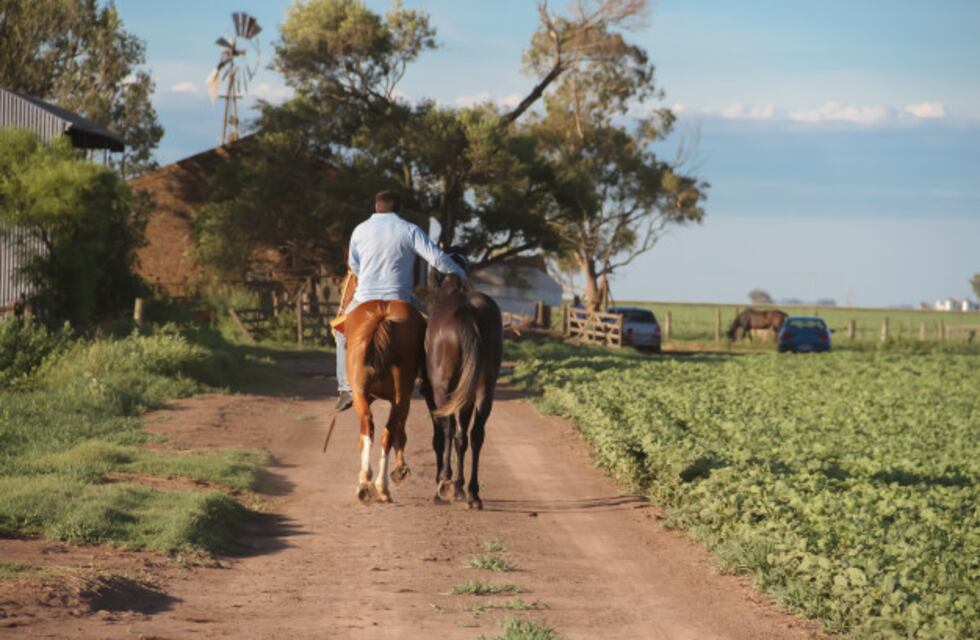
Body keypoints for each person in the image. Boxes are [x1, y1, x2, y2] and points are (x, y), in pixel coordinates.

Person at [333, 190, 467, 411]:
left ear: (376, 207)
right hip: (401, 297)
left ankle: (346, 387)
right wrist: (461, 274)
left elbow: (354, 267)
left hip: (365, 297)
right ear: (398, 209)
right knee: (431, 328)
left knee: (340, 330)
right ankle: (426, 378)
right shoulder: (410, 229)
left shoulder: (360, 230)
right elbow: (437, 259)